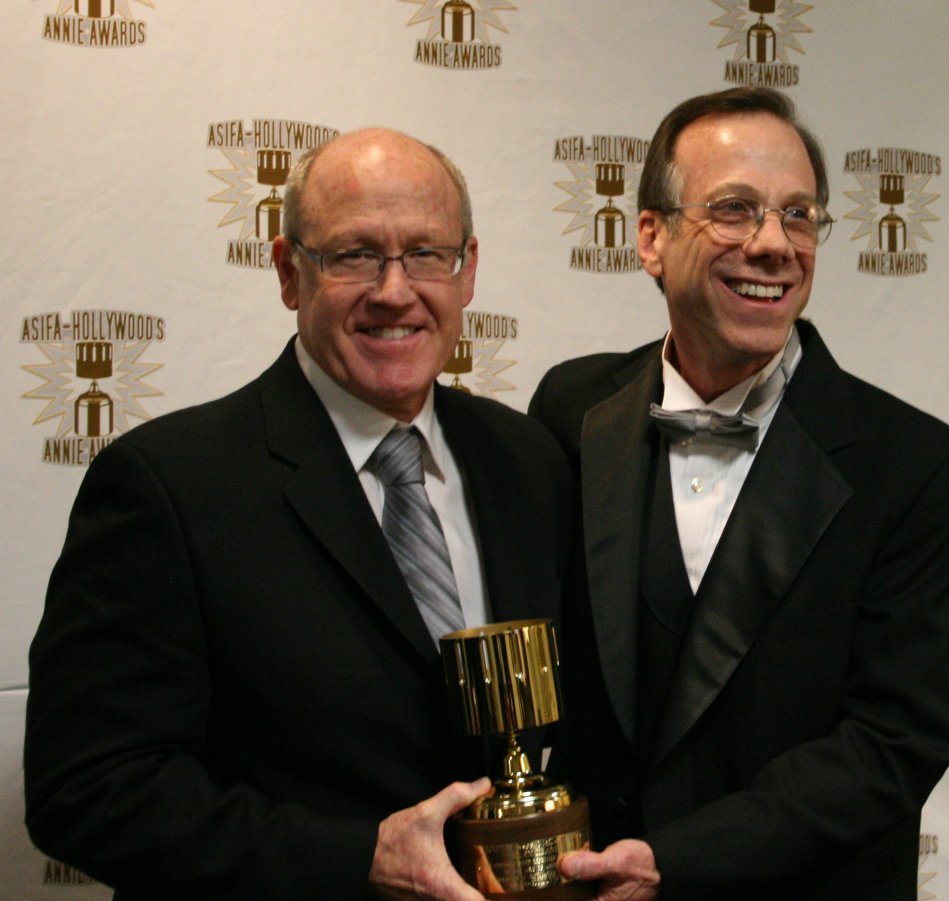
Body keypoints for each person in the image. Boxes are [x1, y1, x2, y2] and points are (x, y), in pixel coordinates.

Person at [24, 128, 572, 899]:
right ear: (289, 273)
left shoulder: (528, 461)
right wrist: (357, 857)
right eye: (353, 255)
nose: (394, 289)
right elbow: (87, 787)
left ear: (467, 270)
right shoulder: (167, 485)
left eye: (426, 254)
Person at [530, 87, 949, 900]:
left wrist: (680, 861)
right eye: (735, 210)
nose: (775, 244)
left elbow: (893, 741)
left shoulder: (917, 466)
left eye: (799, 215)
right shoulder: (569, 410)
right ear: (650, 237)